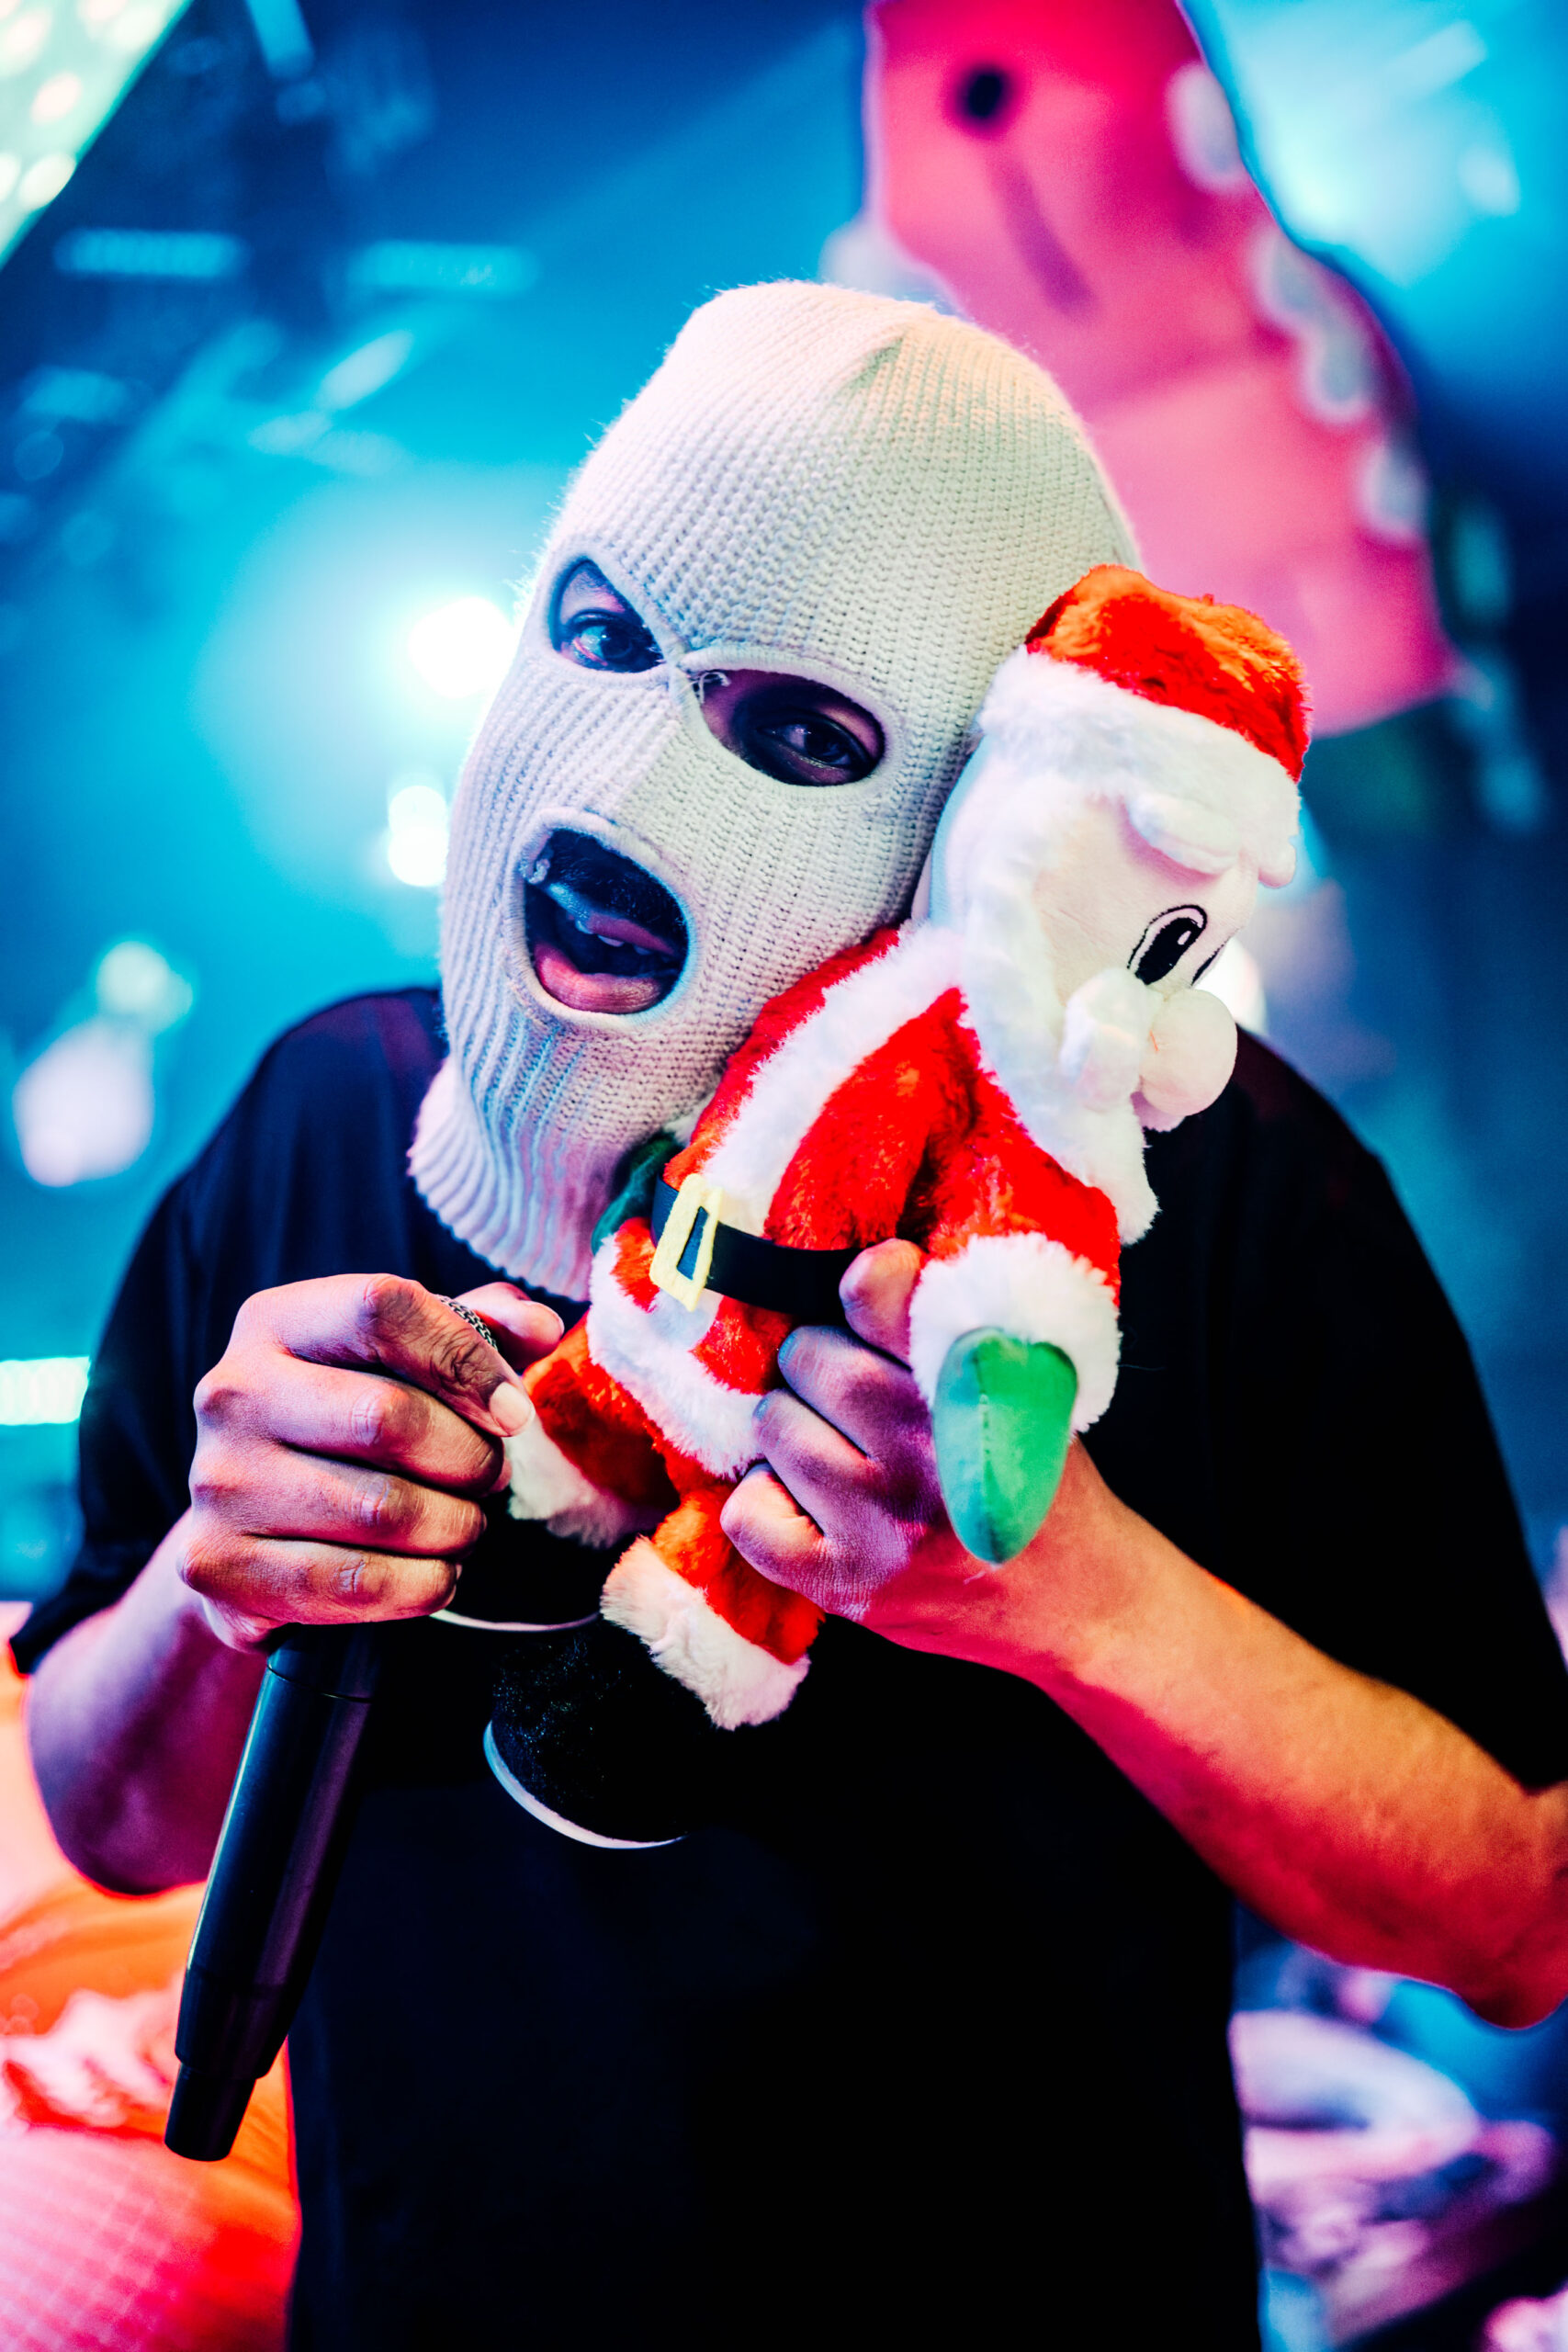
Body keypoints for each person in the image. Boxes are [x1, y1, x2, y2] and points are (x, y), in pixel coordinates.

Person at [14, 284, 1568, 2351]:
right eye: (602, 639)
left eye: (803, 735)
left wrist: (1079, 1600)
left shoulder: (1196, 1184)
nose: (636, 775)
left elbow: (1511, 1917)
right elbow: (111, 1815)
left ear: (966, 808)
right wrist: (218, 1579)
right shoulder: (328, 1112)